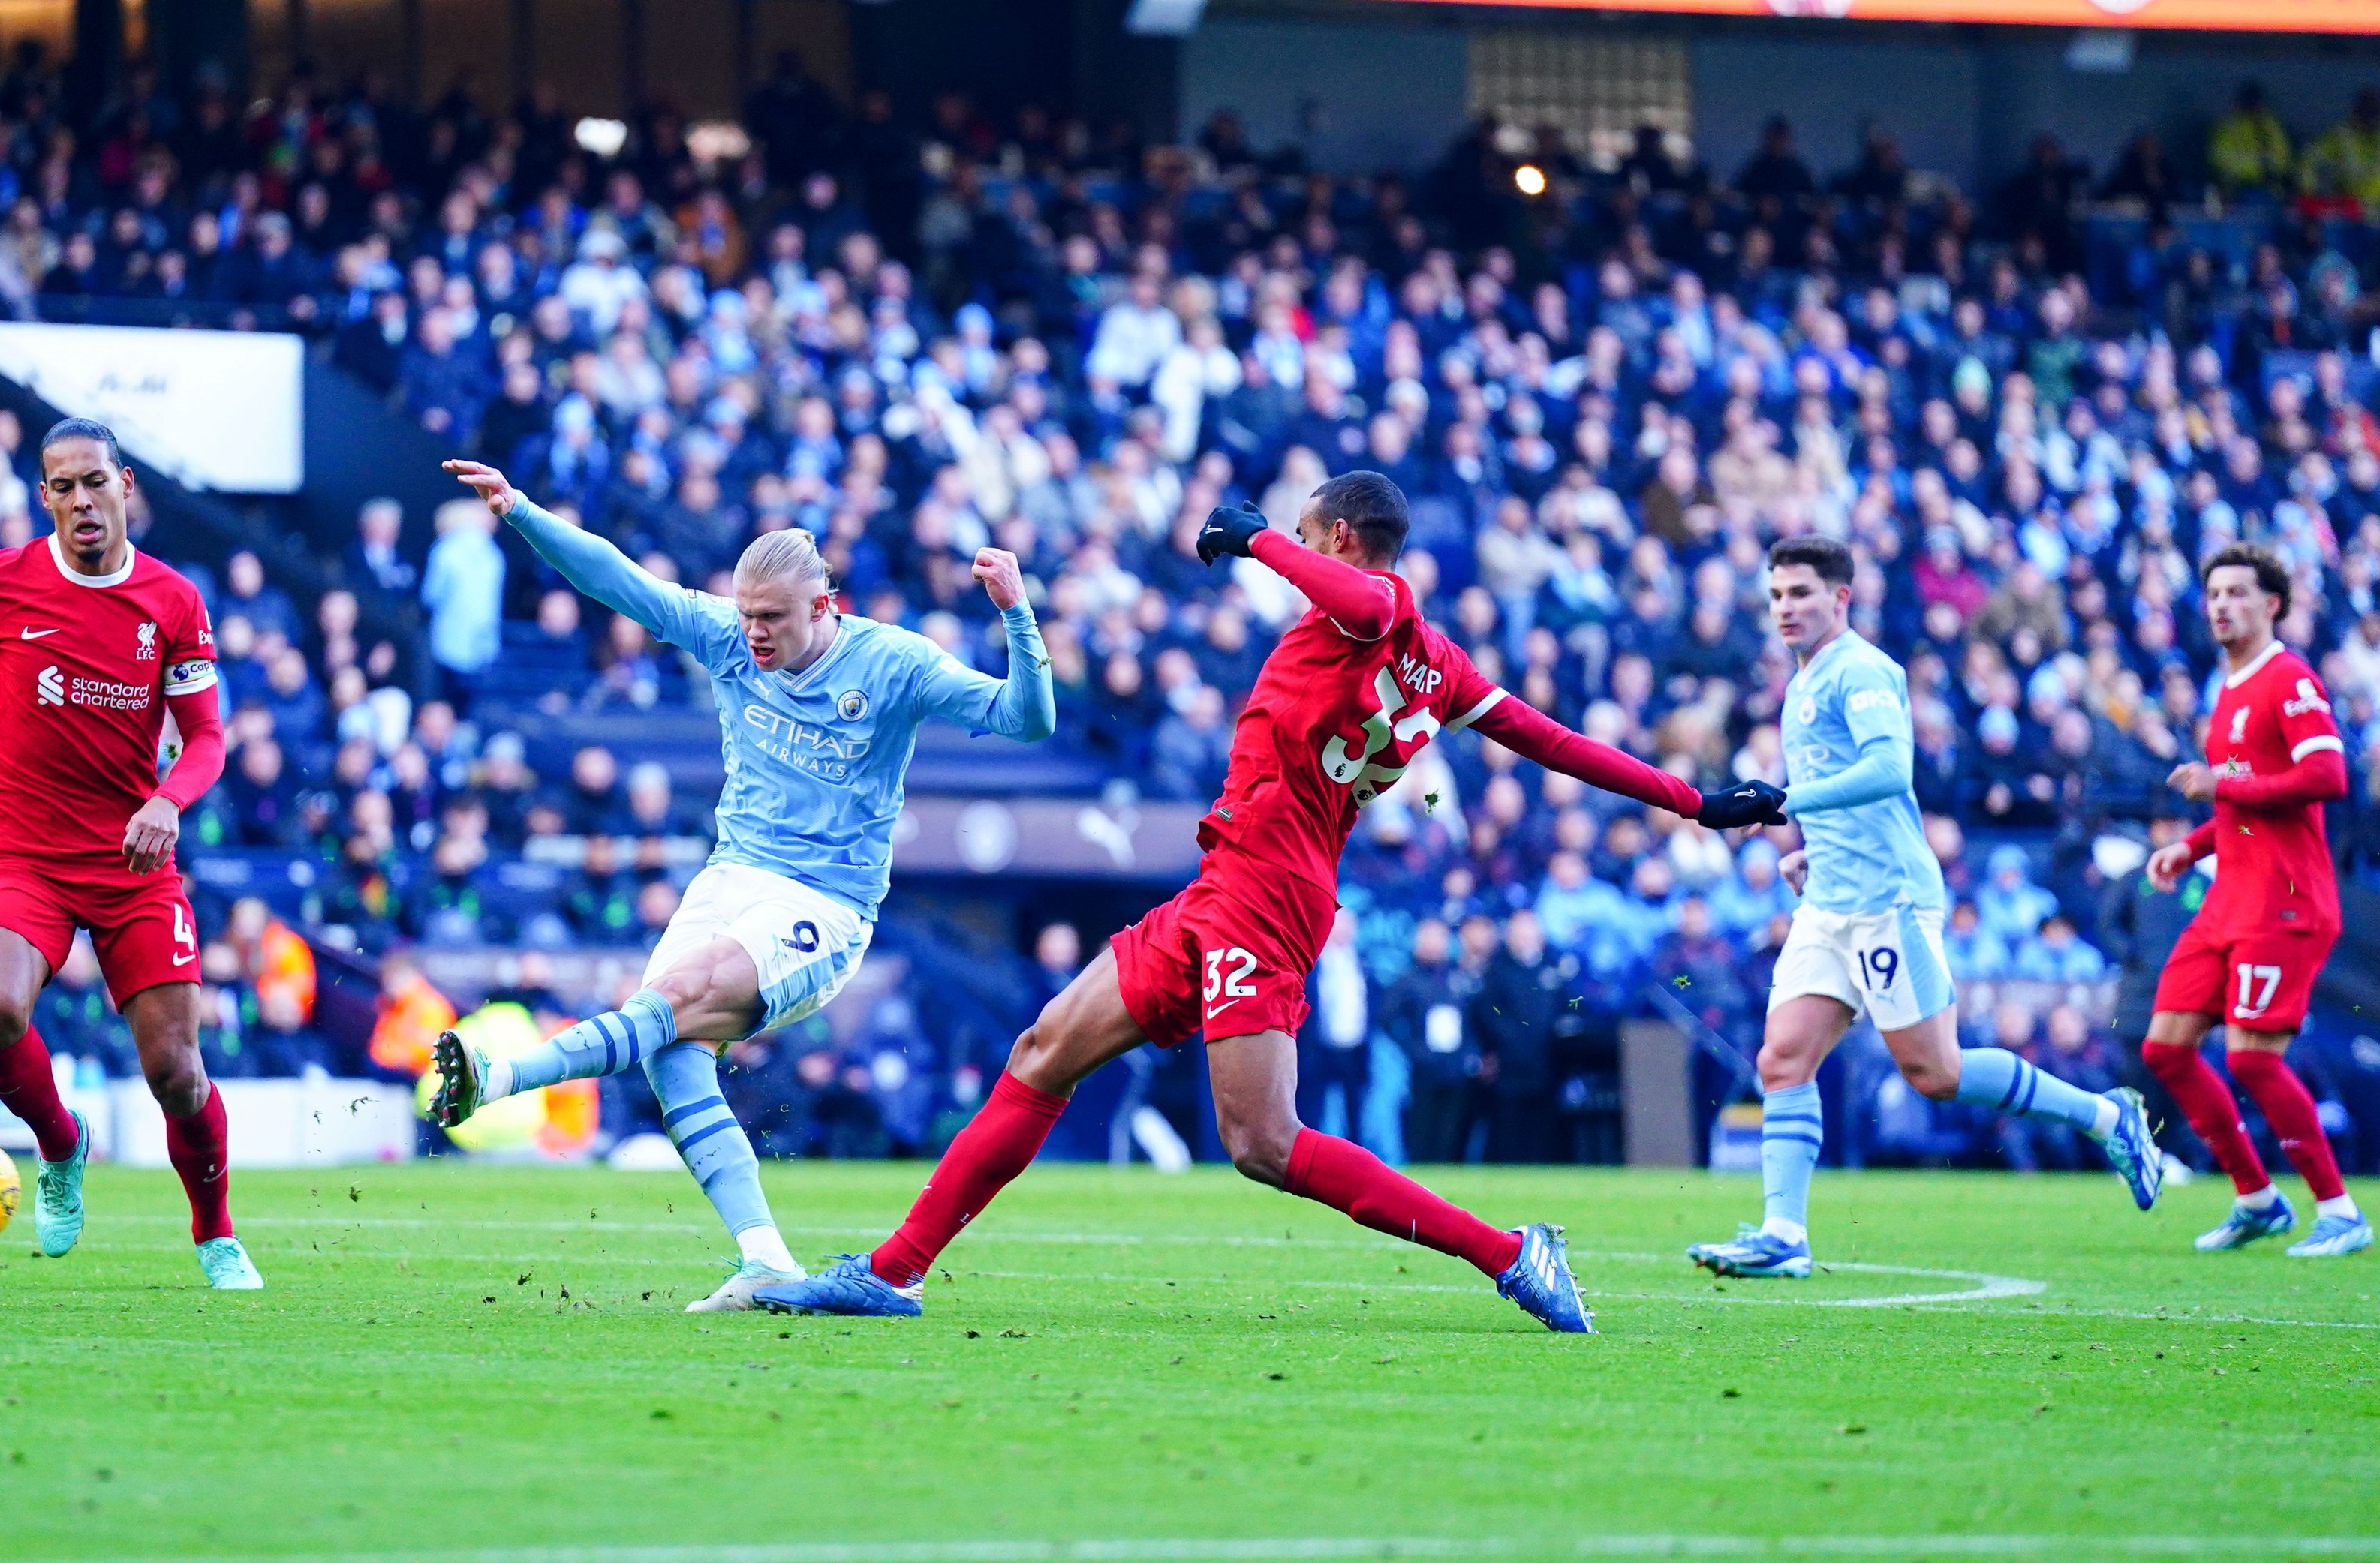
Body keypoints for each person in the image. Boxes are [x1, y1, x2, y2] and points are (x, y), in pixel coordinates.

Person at [756, 471, 1790, 1332]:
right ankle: (892, 1269)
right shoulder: (1436, 667)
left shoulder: (1375, 614)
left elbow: (1372, 604)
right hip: (1226, 881)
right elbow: (1556, 742)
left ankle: (1512, 1252)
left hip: (1267, 896)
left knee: (1262, 1142)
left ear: (1338, 538)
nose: (1292, 557)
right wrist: (1692, 802)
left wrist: (1255, 541)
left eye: (1305, 538)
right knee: (1042, 1049)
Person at [424, 457, 1055, 1311]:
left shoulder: (894, 664)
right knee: (675, 1056)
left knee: (677, 996)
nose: (753, 633)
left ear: (824, 607)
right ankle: (764, 1257)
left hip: (823, 905)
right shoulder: (725, 635)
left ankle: (503, 1077)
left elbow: (1028, 718)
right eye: (747, 613)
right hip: (729, 877)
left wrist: (1017, 614)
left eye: (772, 619)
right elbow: (621, 580)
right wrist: (522, 511)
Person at [1689, 536, 2160, 1280]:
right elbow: (1852, 789)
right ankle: (1784, 1233)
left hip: (1888, 899)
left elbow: (1887, 769)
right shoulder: (1802, 681)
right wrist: (1814, 846)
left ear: (1841, 598)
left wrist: (1784, 801)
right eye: (1776, 595)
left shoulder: (1865, 669)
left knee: (1936, 1071)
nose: (1785, 608)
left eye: (1801, 593)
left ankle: (2107, 1116)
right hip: (1831, 896)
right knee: (1783, 1057)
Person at [0, 417, 255, 1290]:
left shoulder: (172, 601)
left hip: (131, 861)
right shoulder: (1, 580)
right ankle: (61, 1141)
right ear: (44, 496)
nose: (82, 499)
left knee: (177, 1074)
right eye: (63, 485)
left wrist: (167, 799)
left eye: (95, 481)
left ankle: (216, 1235)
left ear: (127, 487)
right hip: (25, 853)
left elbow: (207, 741)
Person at [2139, 543, 2370, 1256]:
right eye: (2212, 593)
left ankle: (2339, 1212)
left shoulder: (2287, 679)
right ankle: (2257, 1199)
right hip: (2229, 898)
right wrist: (2196, 844)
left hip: (2287, 902)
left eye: (2237, 592)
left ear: (2272, 603)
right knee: (2166, 1048)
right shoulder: (2229, 689)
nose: (2220, 605)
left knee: (2251, 1059)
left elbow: (2328, 775)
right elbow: (2244, 794)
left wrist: (2222, 788)